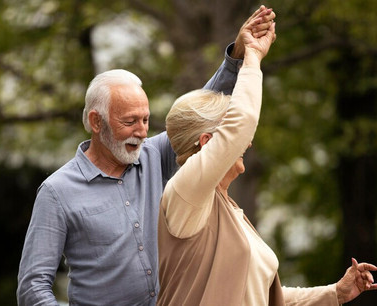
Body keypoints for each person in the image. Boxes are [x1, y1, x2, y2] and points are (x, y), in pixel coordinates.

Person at [16, 6, 277, 306]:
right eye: (129, 122)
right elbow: (33, 288)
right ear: (97, 122)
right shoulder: (57, 192)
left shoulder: (151, 155)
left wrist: (237, 58)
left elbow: (199, 119)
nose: (141, 132)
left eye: (145, 120)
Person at [157, 12, 377, 306]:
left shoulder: (227, 206)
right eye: (231, 135)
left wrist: (335, 292)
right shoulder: (185, 193)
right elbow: (242, 122)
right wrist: (252, 58)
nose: (248, 142)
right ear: (208, 143)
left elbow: (258, 296)